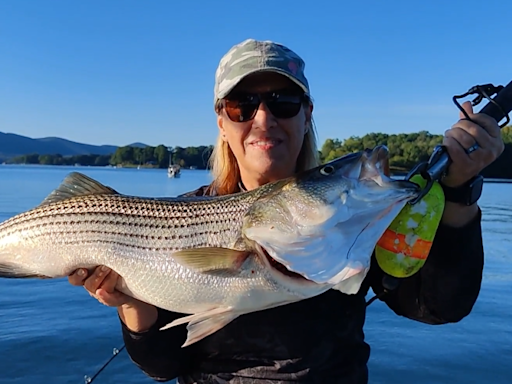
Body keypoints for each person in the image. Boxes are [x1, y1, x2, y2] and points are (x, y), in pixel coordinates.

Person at [68, 39, 504, 383]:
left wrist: (460, 192)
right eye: (242, 105)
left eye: (283, 102)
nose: (264, 120)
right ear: (222, 121)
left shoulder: (348, 215)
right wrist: (128, 304)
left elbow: (437, 307)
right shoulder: (185, 215)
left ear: (306, 115)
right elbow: (162, 366)